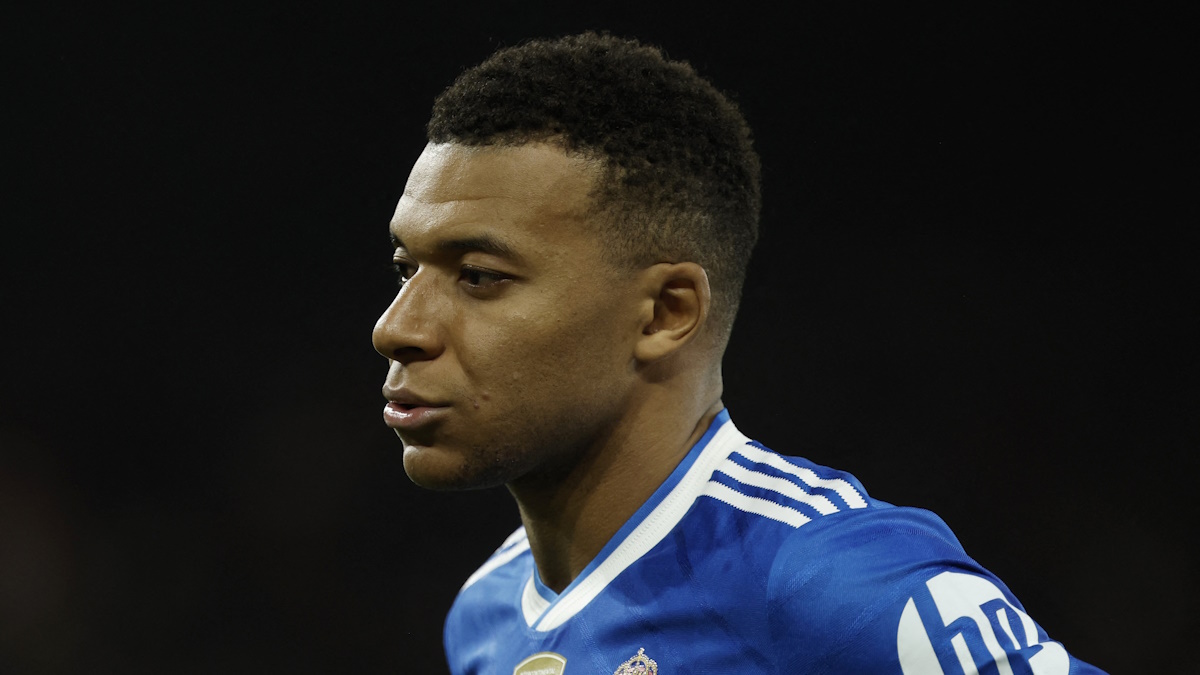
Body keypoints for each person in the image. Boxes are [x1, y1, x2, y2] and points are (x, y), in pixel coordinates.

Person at [371, 32, 1106, 675]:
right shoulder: (486, 615)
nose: (396, 328)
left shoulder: (832, 583)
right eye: (407, 269)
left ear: (666, 312)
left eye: (480, 276)